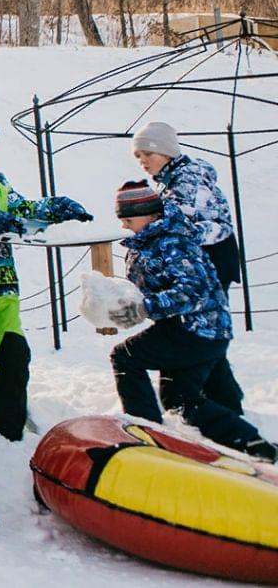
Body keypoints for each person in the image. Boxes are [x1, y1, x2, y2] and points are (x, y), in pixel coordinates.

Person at [108, 180, 274, 462]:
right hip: (201, 330)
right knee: (180, 399)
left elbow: (192, 289)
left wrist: (145, 307)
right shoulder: (152, 240)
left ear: (150, 215)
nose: (124, 225)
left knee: (125, 357)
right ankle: (252, 444)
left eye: (128, 219)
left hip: (195, 329)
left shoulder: (171, 242)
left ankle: (147, 434)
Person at [0, 119, 92, 441]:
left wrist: (55, 208)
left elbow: (24, 209)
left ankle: (10, 427)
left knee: (14, 357)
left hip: (4, 285)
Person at [132, 121, 247, 419]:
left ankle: (215, 404)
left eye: (148, 154)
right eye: (138, 156)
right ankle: (224, 402)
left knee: (202, 330)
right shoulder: (173, 179)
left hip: (211, 262)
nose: (143, 162)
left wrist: (168, 234)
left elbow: (202, 226)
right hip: (203, 262)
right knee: (205, 332)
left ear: (167, 152)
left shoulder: (187, 180)